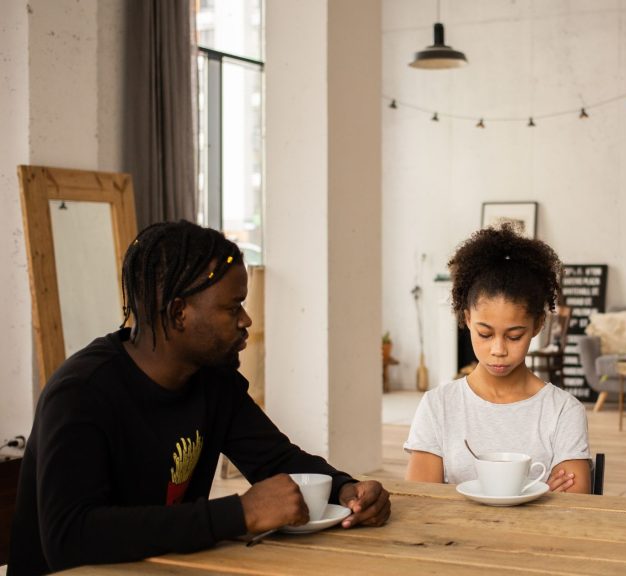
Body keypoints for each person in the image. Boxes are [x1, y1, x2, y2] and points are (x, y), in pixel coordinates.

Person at [9, 221, 391, 575]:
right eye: (232, 307)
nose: (246, 320)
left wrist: (345, 489)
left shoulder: (213, 381)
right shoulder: (81, 393)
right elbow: (69, 537)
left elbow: (276, 459)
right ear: (179, 313)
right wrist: (238, 514)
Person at [404, 224, 591, 493]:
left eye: (514, 336)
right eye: (484, 333)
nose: (498, 349)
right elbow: (421, 501)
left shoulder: (563, 411)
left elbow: (574, 507)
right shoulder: (438, 406)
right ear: (467, 319)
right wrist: (537, 492)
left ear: (538, 325)